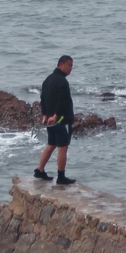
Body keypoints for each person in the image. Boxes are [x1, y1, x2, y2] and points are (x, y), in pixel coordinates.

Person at [33, 55, 78, 184]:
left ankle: (39, 170)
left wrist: (45, 115)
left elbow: (43, 98)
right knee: (63, 147)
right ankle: (61, 177)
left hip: (50, 121)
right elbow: (62, 101)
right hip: (61, 121)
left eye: (72, 66)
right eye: (69, 65)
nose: (70, 68)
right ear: (60, 64)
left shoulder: (48, 80)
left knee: (51, 144)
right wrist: (56, 116)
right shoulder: (62, 82)